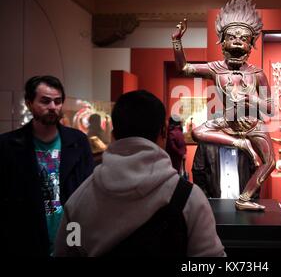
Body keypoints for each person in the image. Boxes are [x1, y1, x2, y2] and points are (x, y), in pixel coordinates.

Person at [54, 90, 225, 257]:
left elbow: (68, 250)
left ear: (113, 134)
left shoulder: (79, 200)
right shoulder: (189, 198)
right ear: (163, 131)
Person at [172, 0, 276, 210]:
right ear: (222, 41)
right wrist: (177, 41)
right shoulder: (215, 68)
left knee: (270, 162)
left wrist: (251, 99)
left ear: (251, 44)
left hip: (252, 125)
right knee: (198, 132)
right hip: (227, 123)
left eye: (243, 39)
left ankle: (244, 199)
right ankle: (240, 143)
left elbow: (270, 108)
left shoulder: (257, 73)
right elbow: (184, 69)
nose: (237, 42)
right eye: (232, 37)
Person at [0, 75, 94, 256]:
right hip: (26, 237)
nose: (53, 107)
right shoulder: (8, 145)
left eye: (57, 102)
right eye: (45, 101)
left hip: (71, 232)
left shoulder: (78, 141)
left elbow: (88, 191)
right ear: (29, 103)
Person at [192, 141, 258, 199]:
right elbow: (198, 173)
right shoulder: (205, 143)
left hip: (242, 205)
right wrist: (208, 200)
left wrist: (252, 198)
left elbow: (255, 173)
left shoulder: (247, 142)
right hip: (214, 205)